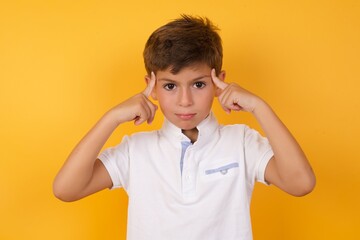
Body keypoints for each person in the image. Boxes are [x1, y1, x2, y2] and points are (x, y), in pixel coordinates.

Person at [53, 15, 316, 240]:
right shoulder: (136, 151)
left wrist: (260, 107)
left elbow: (301, 183)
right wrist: (110, 118)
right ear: (152, 87)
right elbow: (66, 189)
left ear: (218, 82)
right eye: (170, 86)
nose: (185, 100)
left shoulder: (242, 143)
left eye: (199, 84)